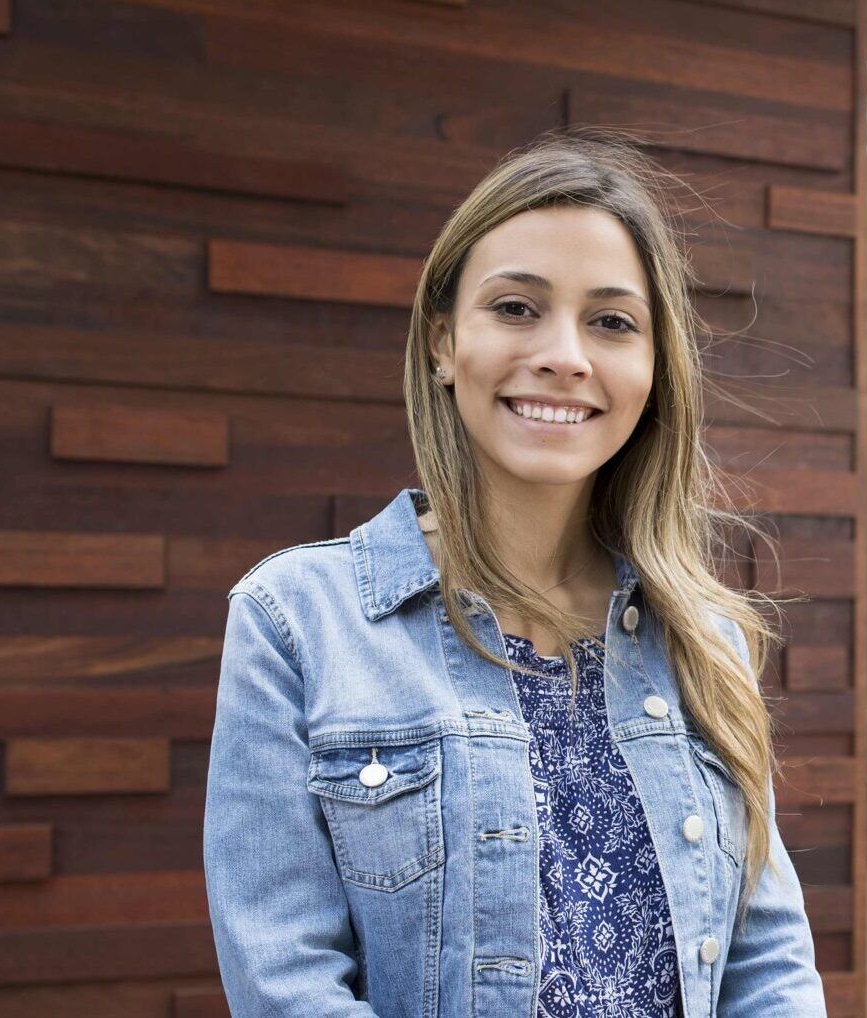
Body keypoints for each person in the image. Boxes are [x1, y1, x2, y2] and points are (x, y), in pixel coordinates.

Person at [202, 132, 828, 1017]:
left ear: (654, 369)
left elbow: (766, 964)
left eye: (611, 321)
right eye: (516, 308)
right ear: (442, 343)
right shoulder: (297, 622)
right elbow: (285, 984)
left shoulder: (702, 639)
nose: (565, 355)